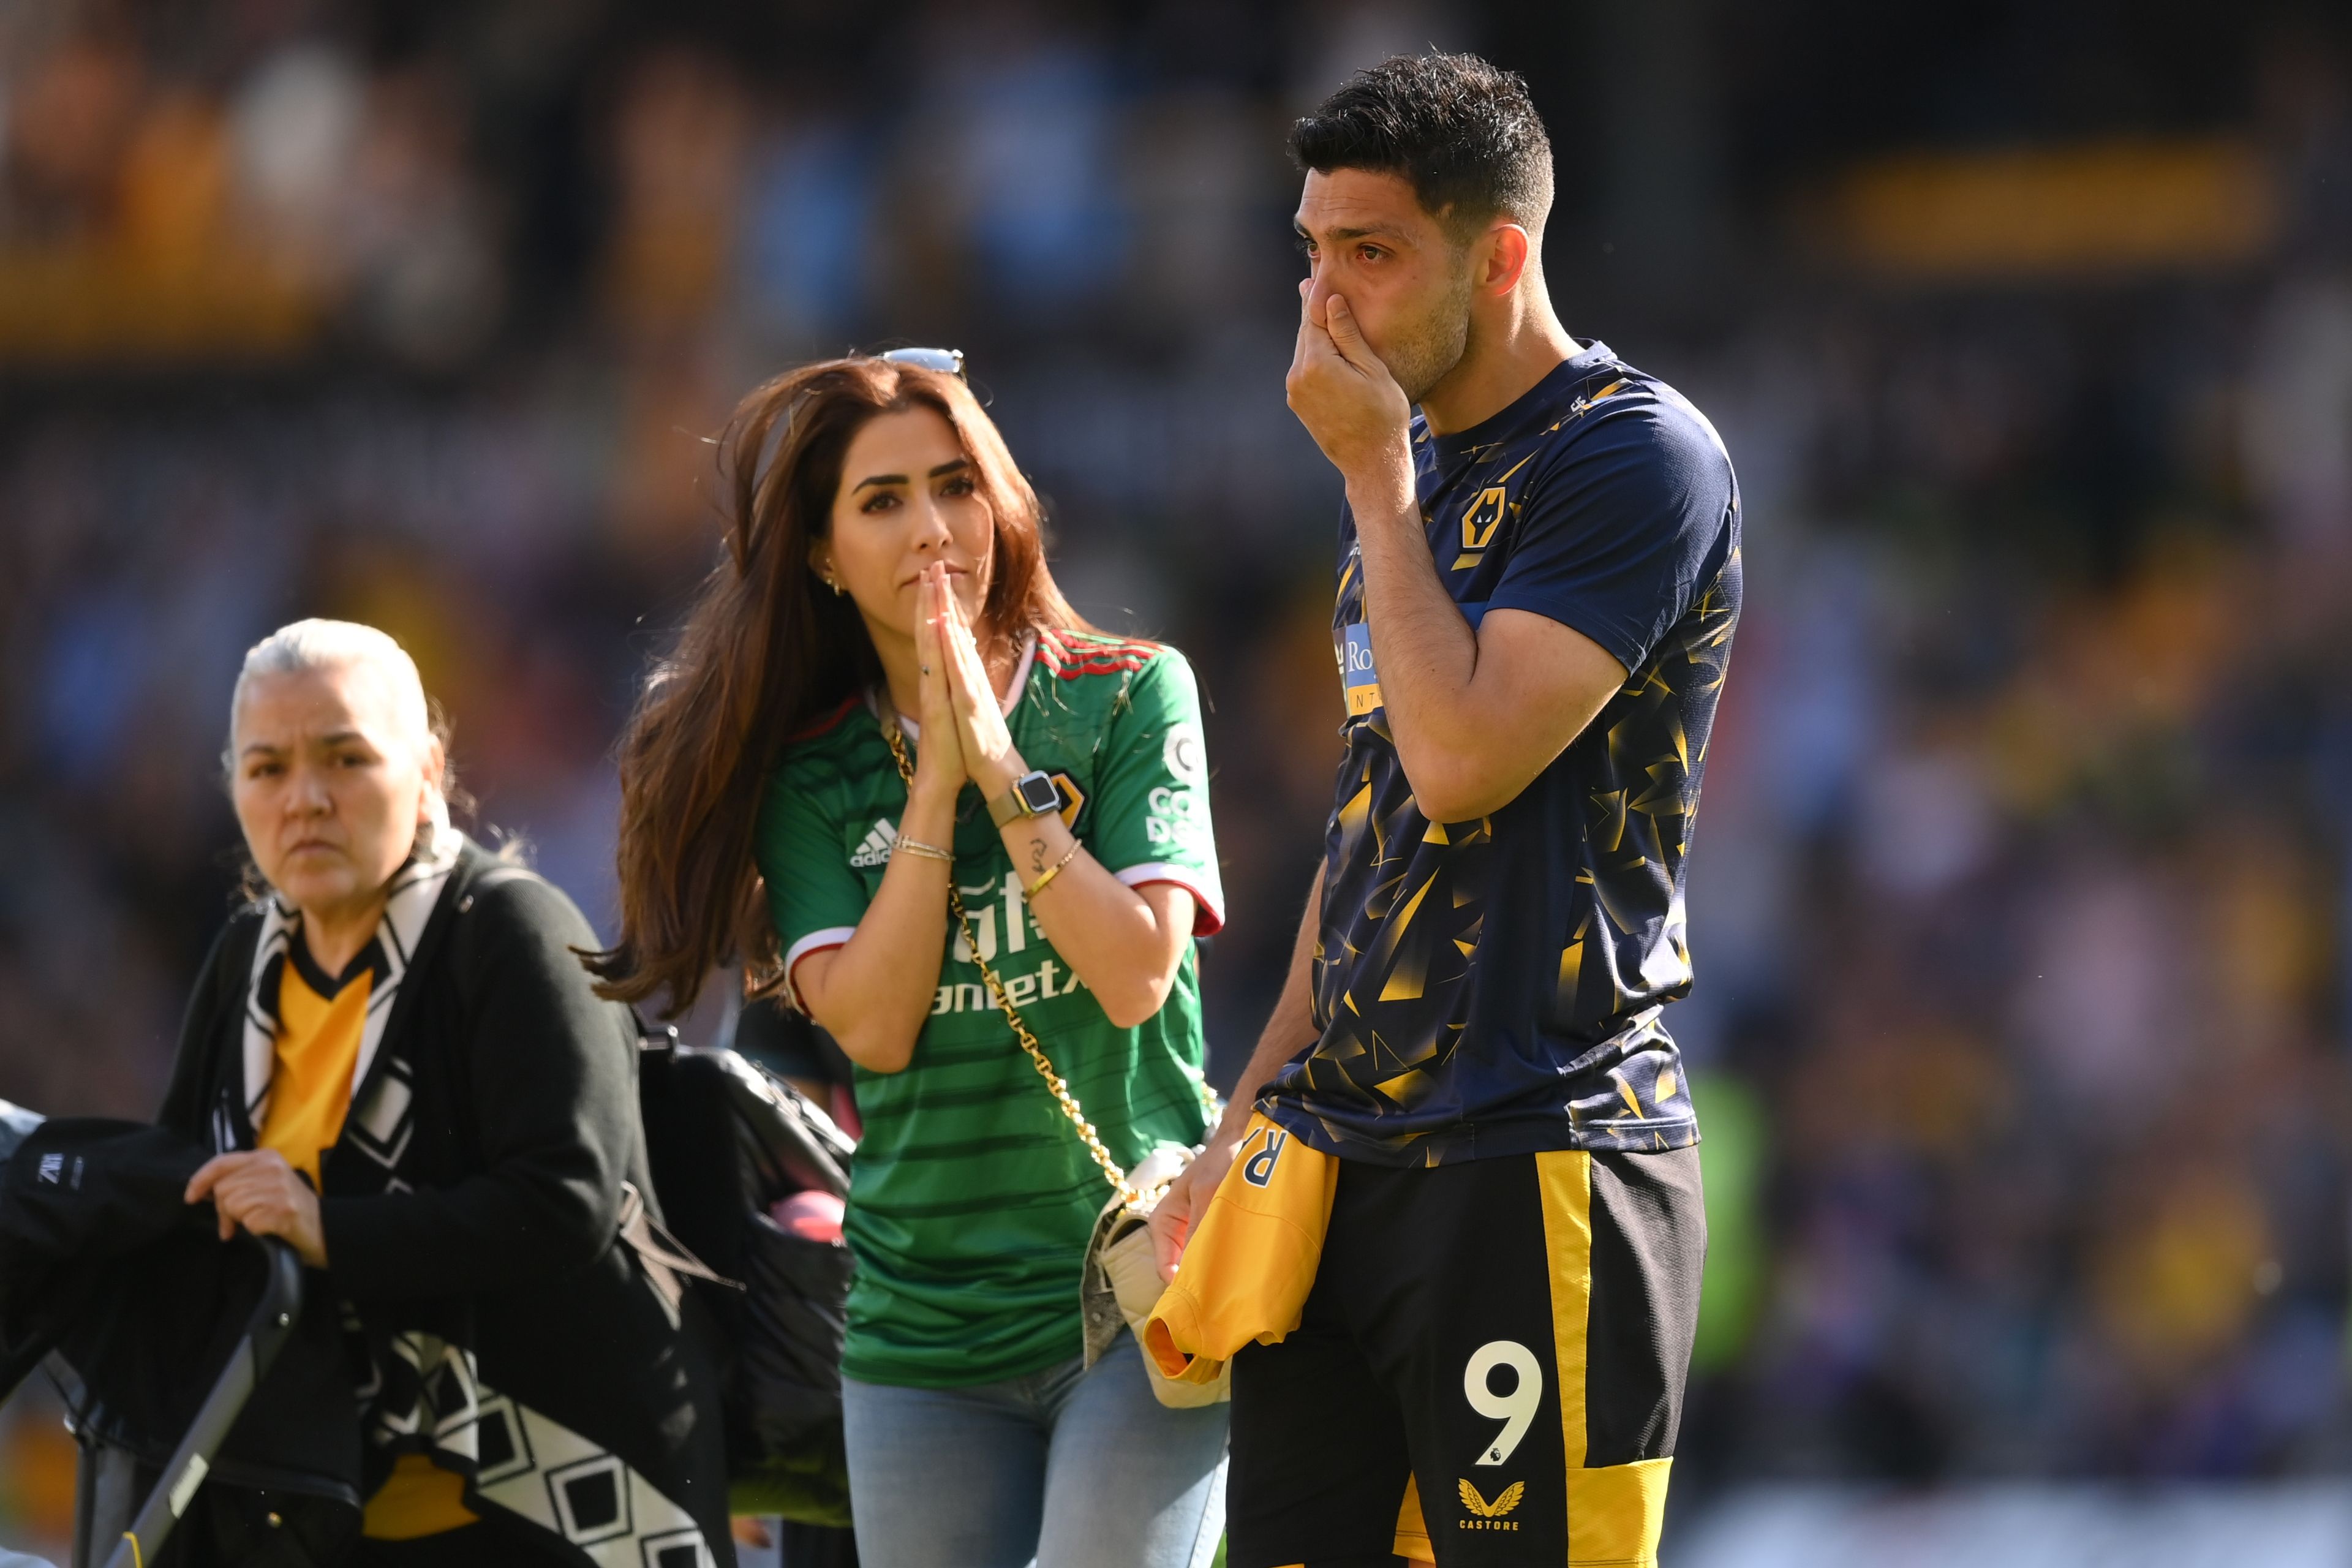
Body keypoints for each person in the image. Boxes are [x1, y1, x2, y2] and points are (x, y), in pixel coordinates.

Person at [1148, 55, 1739, 1568]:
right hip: (1344, 1161)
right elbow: (1378, 845)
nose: (1326, 301)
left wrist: (1372, 481)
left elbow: (1469, 762)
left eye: (1372, 252)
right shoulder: (1402, 496)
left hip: (1538, 1152)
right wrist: (1241, 1116)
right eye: (1313, 250)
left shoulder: (1634, 456)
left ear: (1503, 254)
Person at [590, 353, 1230, 1568]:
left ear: (1002, 503)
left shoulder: (1132, 694)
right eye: (882, 500)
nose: (932, 528)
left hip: (1137, 1292)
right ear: (825, 554)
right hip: (918, 1337)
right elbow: (874, 1027)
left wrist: (1004, 773)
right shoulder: (812, 772)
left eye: (956, 485)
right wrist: (935, 779)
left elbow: (1139, 970)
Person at [168, 619, 734, 1566]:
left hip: (562, 1511)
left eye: (345, 757)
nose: (304, 798)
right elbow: (187, 1191)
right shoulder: (243, 965)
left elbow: (567, 1199)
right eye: (266, 769)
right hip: (334, 1510)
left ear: (428, 768)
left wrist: (325, 1230)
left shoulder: (510, 930)